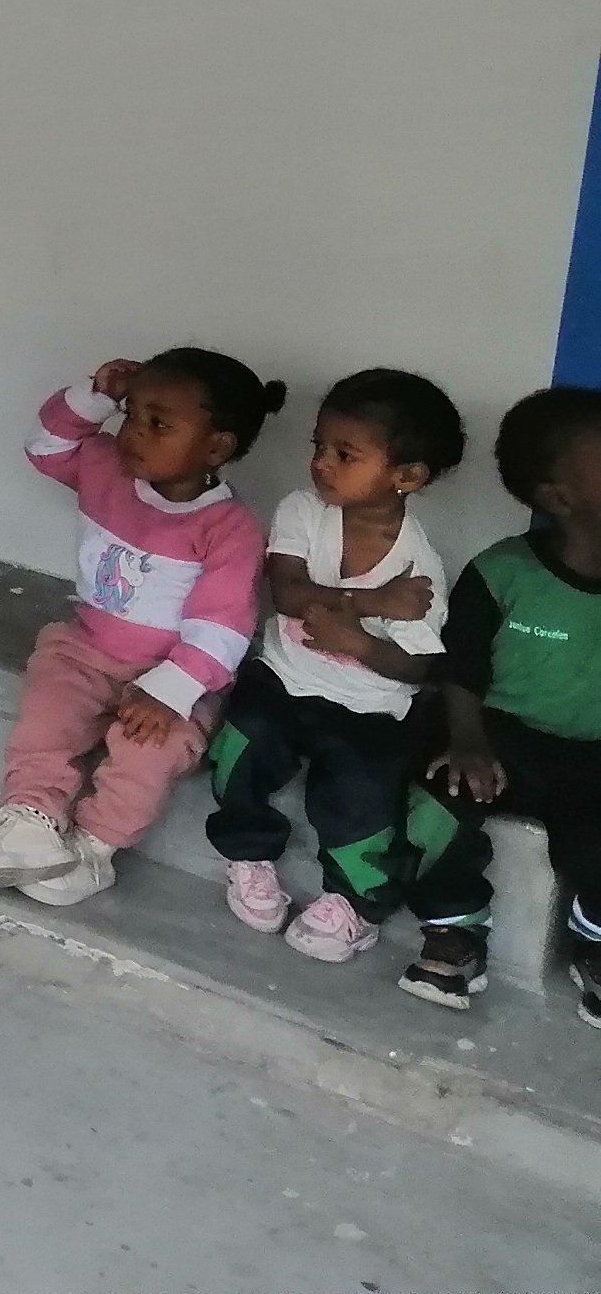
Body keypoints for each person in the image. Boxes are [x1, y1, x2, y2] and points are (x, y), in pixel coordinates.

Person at [0, 349, 280, 908]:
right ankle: (28, 821)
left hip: (172, 672)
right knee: (48, 714)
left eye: (160, 424)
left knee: (149, 752)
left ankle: (93, 848)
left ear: (216, 447)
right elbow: (44, 448)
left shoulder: (229, 527)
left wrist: (170, 692)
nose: (134, 432)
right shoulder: (104, 466)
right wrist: (95, 396)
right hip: (87, 647)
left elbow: (223, 627)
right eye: (131, 414)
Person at [208, 367, 459, 962]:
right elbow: (288, 593)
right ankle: (248, 852)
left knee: (362, 792)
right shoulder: (303, 510)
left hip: (370, 703)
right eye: (318, 446)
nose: (321, 463)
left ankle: (355, 903)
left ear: (407, 477)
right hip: (285, 675)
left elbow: (419, 668)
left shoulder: (420, 564)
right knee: (243, 742)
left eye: (345, 454)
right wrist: (372, 604)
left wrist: (360, 643)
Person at [398, 387, 601, 1022]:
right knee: (435, 808)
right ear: (558, 499)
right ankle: (454, 928)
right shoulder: (504, 571)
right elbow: (461, 667)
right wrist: (467, 740)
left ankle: (593, 942)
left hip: (592, 755)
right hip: (498, 739)